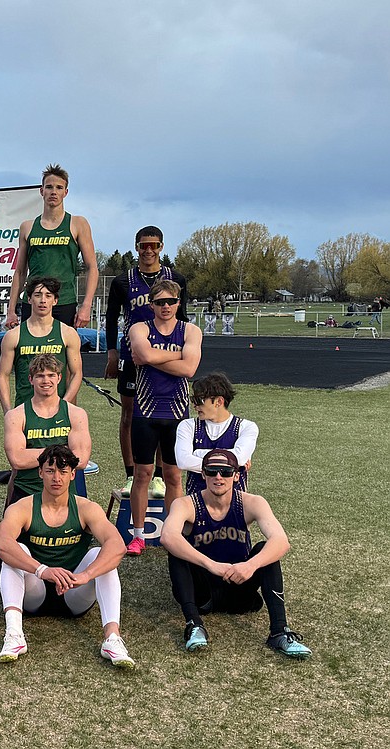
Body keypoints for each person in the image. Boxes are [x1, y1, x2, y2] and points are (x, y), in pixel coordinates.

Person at [160, 449, 311, 658]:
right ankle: (194, 625)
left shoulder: (252, 502)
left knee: (263, 550)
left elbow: (281, 541)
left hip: (239, 588)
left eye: (225, 471)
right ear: (203, 475)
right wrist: (211, 564)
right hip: (202, 593)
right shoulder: (186, 504)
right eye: (212, 471)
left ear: (237, 475)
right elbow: (167, 536)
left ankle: (279, 631)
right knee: (177, 548)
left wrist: (250, 565)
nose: (218, 477)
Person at [0, 445, 134, 667]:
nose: (56, 477)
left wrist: (86, 576)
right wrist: (42, 570)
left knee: (100, 554)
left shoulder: (86, 507)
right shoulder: (24, 506)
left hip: (73, 592)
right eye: (50, 471)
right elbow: (0, 542)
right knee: (15, 552)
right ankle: (14, 634)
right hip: (33, 591)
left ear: (73, 474)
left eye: (63, 471)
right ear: (40, 472)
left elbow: (117, 546)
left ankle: (112, 638)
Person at [104, 226, 190, 498]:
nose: (149, 250)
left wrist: (184, 350)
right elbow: (110, 318)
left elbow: (183, 317)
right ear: (136, 247)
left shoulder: (176, 278)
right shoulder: (122, 281)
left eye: (154, 245)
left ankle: (161, 477)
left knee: (166, 416)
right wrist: (112, 353)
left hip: (169, 354)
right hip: (133, 357)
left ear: (162, 247)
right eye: (143, 245)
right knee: (130, 415)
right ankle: (132, 474)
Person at [126, 279, 203, 555]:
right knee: (142, 474)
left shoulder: (191, 330)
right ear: (152, 305)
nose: (166, 306)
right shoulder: (139, 327)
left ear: (179, 303)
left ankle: (172, 534)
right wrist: (177, 356)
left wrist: (152, 358)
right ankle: (137, 536)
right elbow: (143, 353)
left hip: (176, 412)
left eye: (171, 301)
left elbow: (190, 369)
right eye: (160, 302)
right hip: (145, 410)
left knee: (173, 475)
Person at [5, 164, 98, 330]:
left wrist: (86, 306)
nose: (53, 192)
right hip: (33, 301)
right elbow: (20, 271)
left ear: (65, 192)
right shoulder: (27, 227)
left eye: (59, 187)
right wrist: (11, 310)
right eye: (49, 187)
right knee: (31, 353)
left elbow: (92, 267)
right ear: (42, 191)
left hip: (64, 301)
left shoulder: (78, 224)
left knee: (64, 353)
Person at [3, 353, 91, 507]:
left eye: (51, 375)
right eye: (40, 376)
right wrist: (63, 450)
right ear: (31, 380)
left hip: (65, 494)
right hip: (27, 492)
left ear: (59, 378)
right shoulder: (15, 415)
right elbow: (17, 460)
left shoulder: (76, 414)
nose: (46, 381)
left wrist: (33, 453)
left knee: (95, 520)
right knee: (7, 529)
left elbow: (81, 460)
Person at [0, 276, 82, 414]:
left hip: (58, 412)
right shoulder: (13, 336)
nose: (43, 300)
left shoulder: (68, 333)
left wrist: (64, 405)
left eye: (48, 296)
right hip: (24, 412)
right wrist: (8, 412)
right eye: (37, 295)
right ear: (29, 299)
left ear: (55, 301)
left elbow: (77, 373)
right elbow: (2, 376)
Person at [175, 372, 258, 494]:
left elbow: (239, 458)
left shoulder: (247, 427)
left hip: (234, 503)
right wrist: (230, 462)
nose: (194, 406)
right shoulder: (187, 426)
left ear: (219, 401)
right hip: (197, 502)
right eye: (193, 399)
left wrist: (197, 453)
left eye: (199, 400)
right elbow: (183, 461)